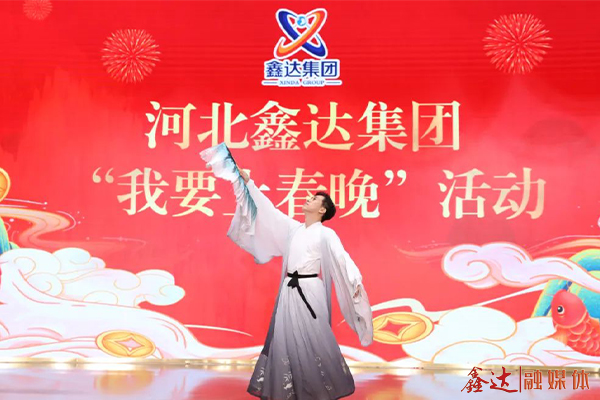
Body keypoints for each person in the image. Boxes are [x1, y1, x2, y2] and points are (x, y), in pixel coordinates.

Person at [201, 144, 373, 400]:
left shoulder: (326, 234)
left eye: (314, 199)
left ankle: (319, 389)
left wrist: (355, 280)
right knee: (285, 339)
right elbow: (268, 211)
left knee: (315, 338)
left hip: (310, 291)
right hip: (289, 290)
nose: (308, 199)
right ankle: (290, 390)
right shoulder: (294, 229)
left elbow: (342, 258)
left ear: (322, 210)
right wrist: (249, 184)